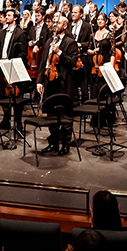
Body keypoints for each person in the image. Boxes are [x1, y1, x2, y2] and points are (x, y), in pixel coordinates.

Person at [36, 15, 79, 155]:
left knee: (65, 117)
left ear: (65, 26)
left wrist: (59, 53)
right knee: (51, 115)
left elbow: (72, 63)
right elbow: (44, 63)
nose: (55, 24)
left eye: (58, 22)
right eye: (54, 22)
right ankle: (53, 143)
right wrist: (39, 81)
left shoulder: (70, 42)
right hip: (49, 82)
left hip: (63, 83)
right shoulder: (49, 40)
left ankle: (65, 144)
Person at [0, 9, 29, 131]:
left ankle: (18, 122)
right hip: (2, 65)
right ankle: (6, 120)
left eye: (9, 15)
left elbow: (23, 53)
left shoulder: (20, 33)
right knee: (3, 94)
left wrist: (13, 63)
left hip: (13, 66)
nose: (6, 17)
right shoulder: (1, 32)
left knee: (16, 94)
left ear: (15, 18)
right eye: (6, 15)